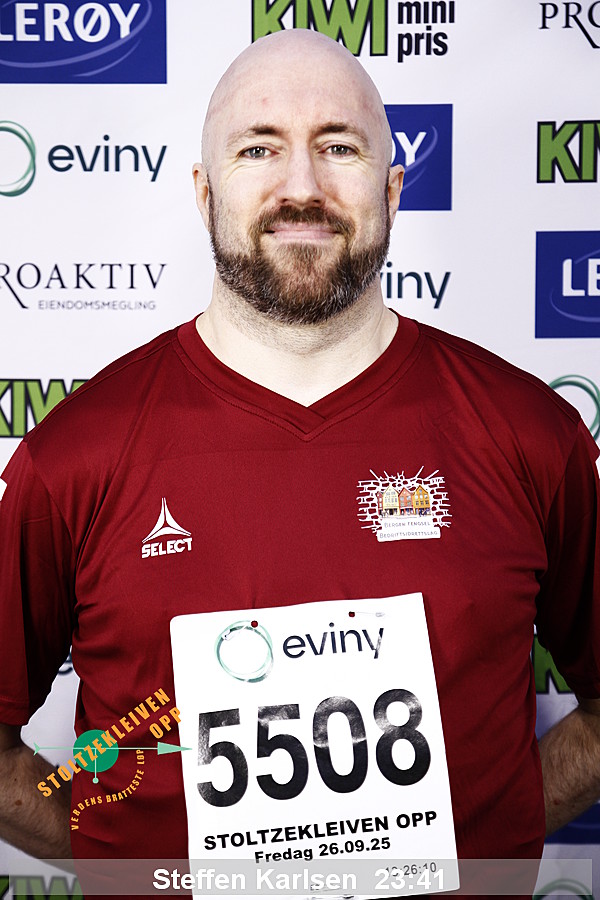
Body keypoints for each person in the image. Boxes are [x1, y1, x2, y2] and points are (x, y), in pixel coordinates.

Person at [0, 27, 599, 878]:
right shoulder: (74, 458)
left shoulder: (530, 434)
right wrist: (128, 857)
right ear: (204, 192)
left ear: (393, 188)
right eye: (259, 148)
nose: (303, 188)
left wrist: (491, 827)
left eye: (339, 147)